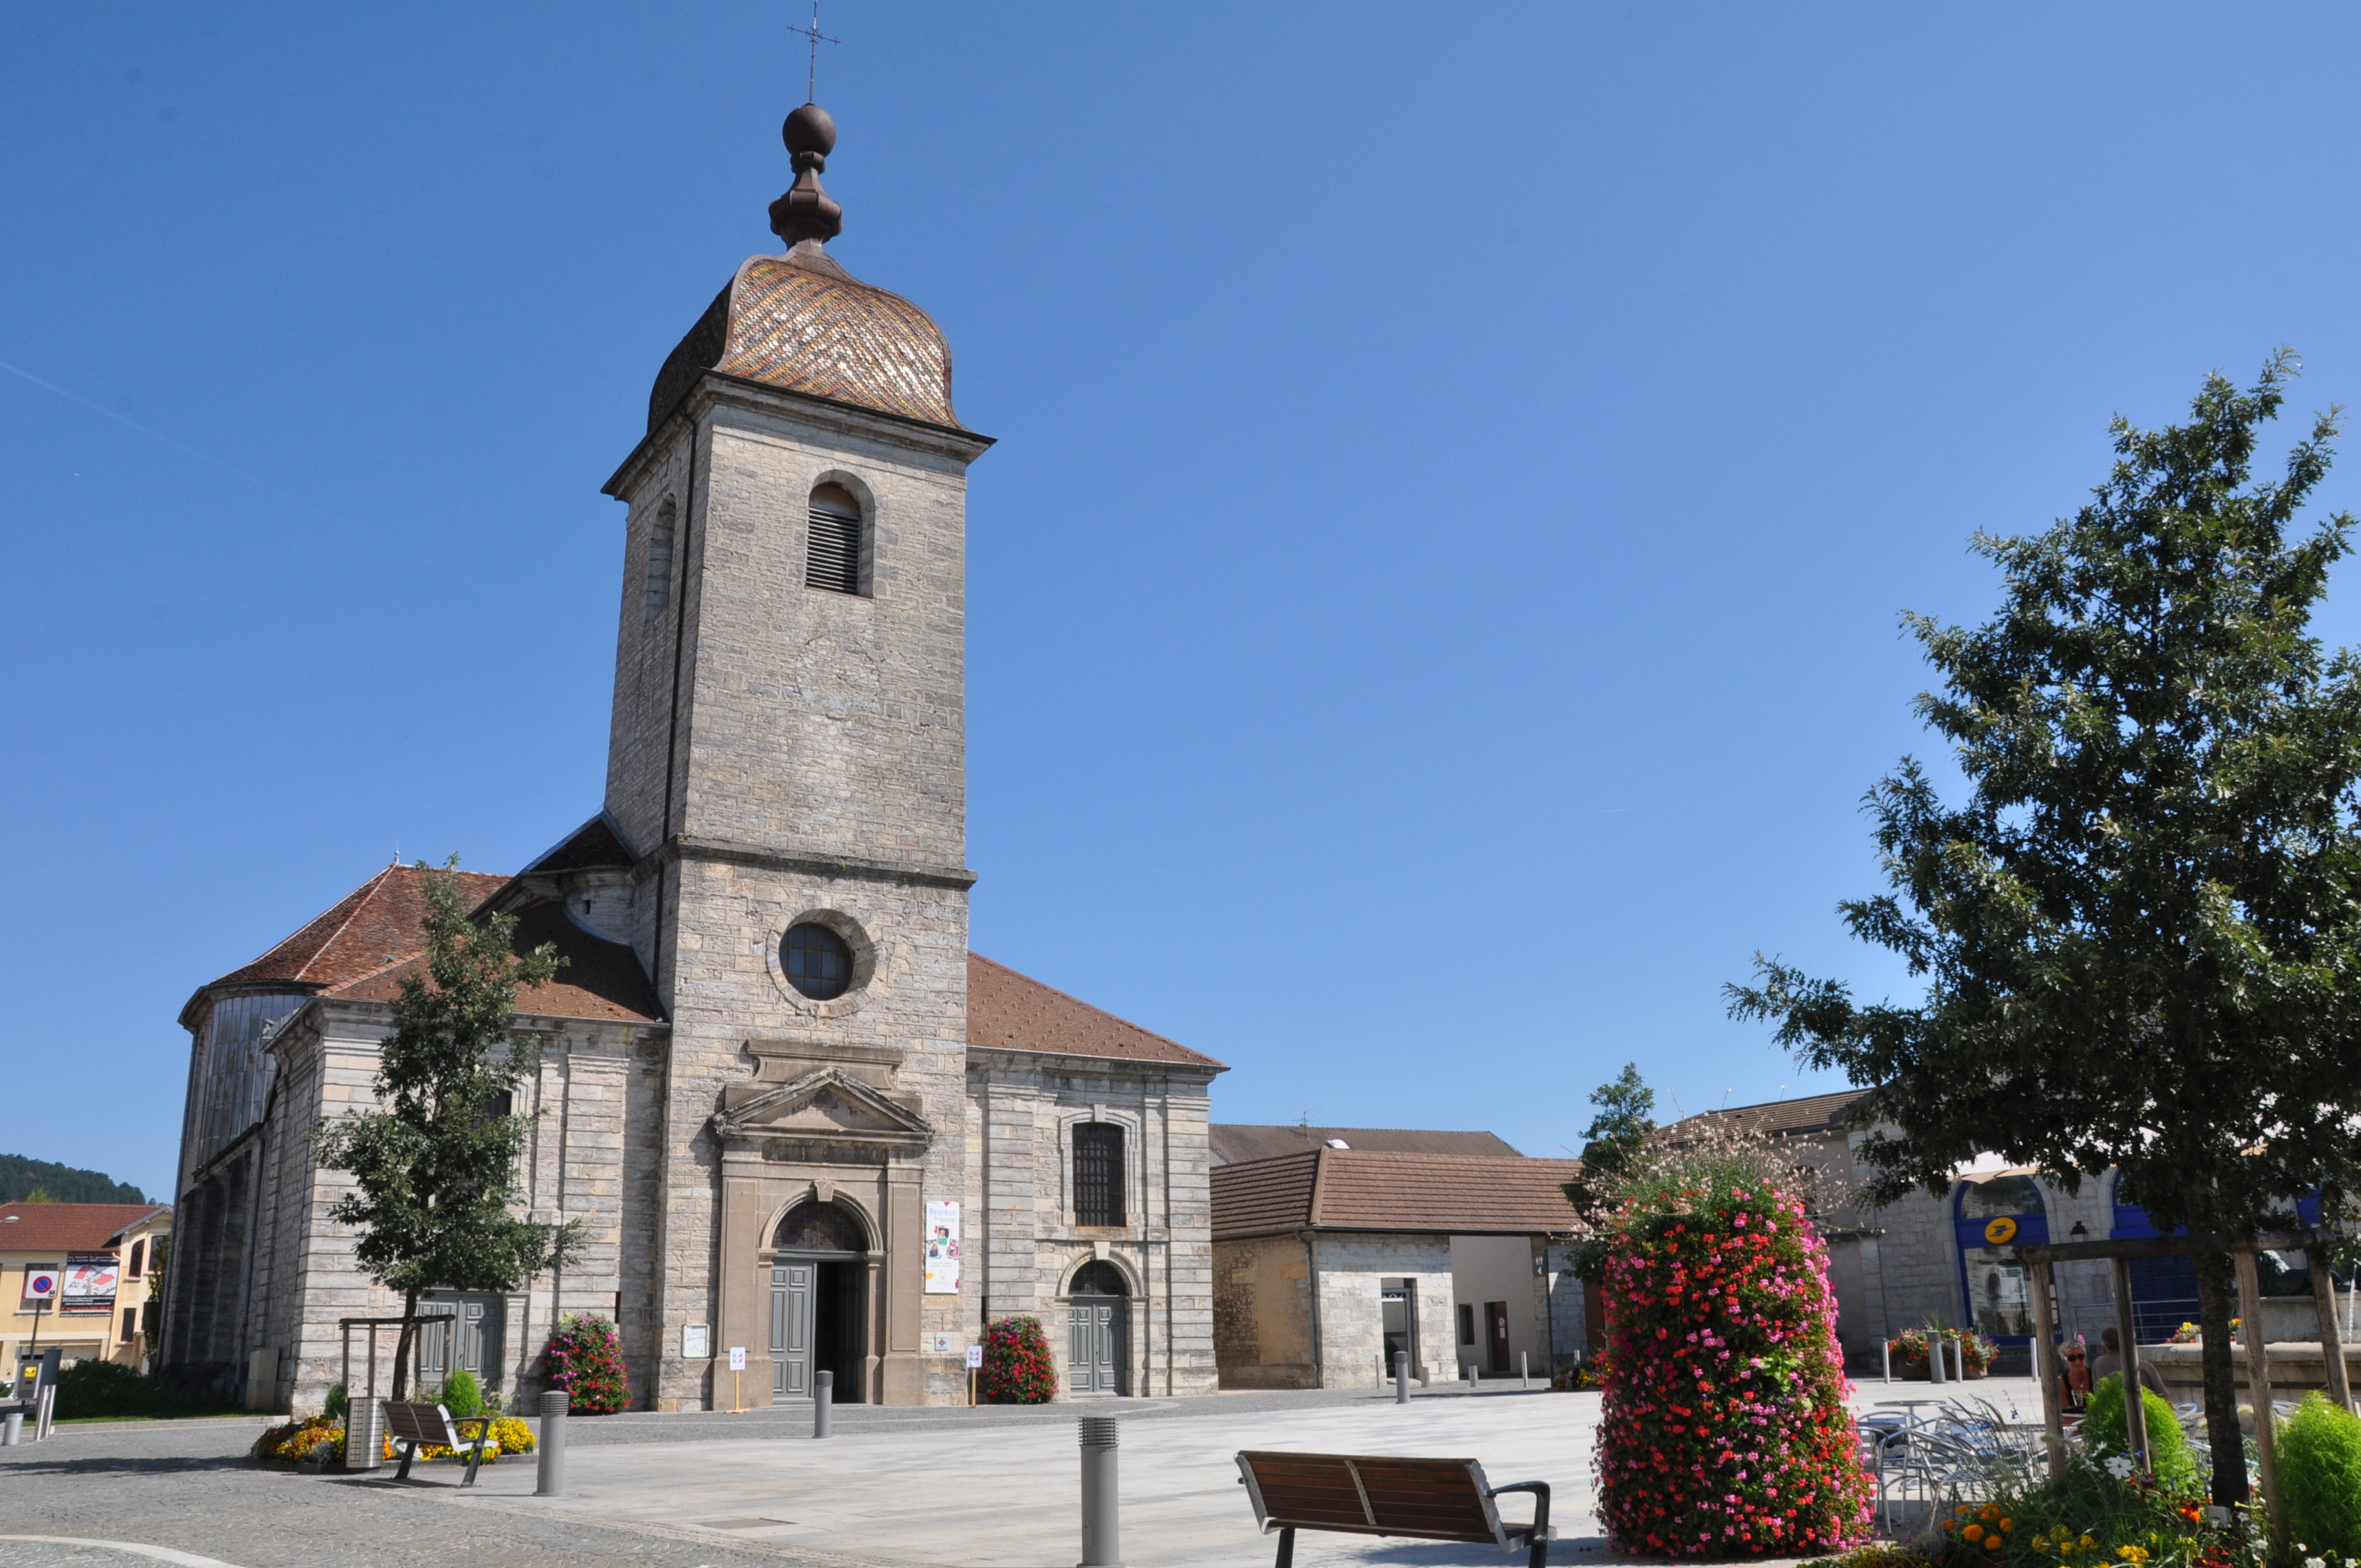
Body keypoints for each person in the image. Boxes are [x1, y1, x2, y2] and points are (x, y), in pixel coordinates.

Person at [2091, 1326, 2172, 1401]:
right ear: (2127, 1344)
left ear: (2104, 1348)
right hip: (2145, 1412)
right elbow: (2164, 1398)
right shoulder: (2146, 1367)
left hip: (2111, 1414)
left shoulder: (2098, 1364)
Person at [2057, 1338, 2094, 1414]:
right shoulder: (2062, 1383)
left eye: (2081, 1357)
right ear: (2065, 1361)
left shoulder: (2095, 1374)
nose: (2078, 1362)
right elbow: (2066, 1415)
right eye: (2072, 1358)